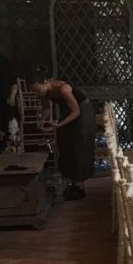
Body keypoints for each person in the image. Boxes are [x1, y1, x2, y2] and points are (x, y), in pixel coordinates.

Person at [31, 68, 95, 201]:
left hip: (81, 111)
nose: (36, 93)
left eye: (37, 90)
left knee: (79, 145)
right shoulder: (45, 92)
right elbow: (47, 108)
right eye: (34, 91)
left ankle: (79, 185)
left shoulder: (64, 89)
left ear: (45, 82)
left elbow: (76, 111)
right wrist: (42, 122)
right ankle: (72, 181)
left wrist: (59, 124)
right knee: (64, 142)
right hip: (68, 111)